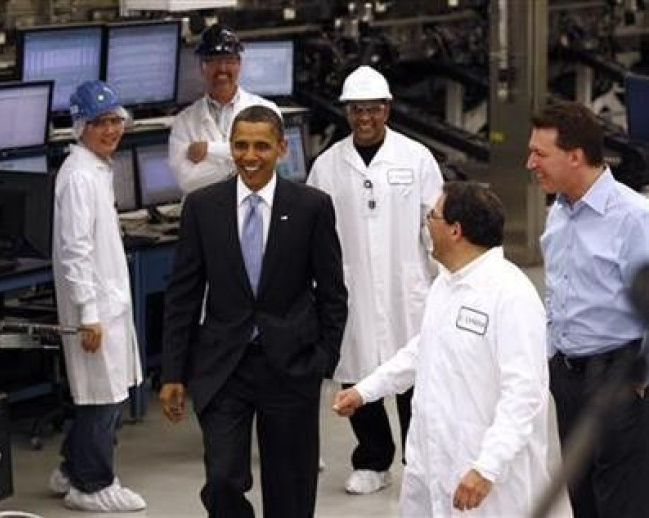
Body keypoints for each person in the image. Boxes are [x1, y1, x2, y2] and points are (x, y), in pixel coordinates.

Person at [159, 105, 348, 518]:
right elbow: (183, 295)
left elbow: (333, 292)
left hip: (291, 366)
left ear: (281, 148)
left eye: (262, 146)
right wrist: (173, 372)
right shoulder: (203, 207)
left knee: (291, 491)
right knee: (223, 480)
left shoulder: (311, 207)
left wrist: (323, 360)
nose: (250, 156)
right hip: (224, 366)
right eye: (241, 145)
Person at [333, 181, 558, 517]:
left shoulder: (510, 295)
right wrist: (365, 391)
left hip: (483, 475)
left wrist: (487, 467)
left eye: (432, 216)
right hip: (432, 459)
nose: (426, 224)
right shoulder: (446, 283)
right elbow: (423, 348)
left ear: (455, 231)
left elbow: (523, 394)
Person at [307, 65, 443, 495]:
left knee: (413, 379)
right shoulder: (328, 165)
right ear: (345, 112)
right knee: (358, 377)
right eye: (355, 110)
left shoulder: (416, 157)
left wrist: (448, 278)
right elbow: (313, 231)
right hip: (351, 290)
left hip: (408, 288)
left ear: (387, 109)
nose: (364, 118)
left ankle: (416, 462)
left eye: (373, 109)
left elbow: (434, 223)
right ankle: (373, 460)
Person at [527, 100, 649, 518]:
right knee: (584, 502)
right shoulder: (559, 213)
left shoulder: (633, 217)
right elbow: (556, 292)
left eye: (540, 154)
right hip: (569, 379)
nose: (530, 163)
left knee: (623, 504)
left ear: (575, 156)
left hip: (620, 380)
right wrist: (551, 355)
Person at [50, 80, 145, 512]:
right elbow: (75, 251)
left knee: (106, 393)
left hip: (107, 304)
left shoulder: (94, 169)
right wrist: (89, 314)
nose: (111, 130)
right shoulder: (79, 177)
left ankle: (72, 468)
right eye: (100, 123)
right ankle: (91, 484)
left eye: (115, 121)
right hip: (94, 310)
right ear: (80, 127)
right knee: (100, 398)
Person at [169, 23, 281, 194]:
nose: (222, 69)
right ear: (202, 66)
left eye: (228, 61)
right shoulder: (184, 121)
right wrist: (239, 164)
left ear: (239, 64)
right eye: (213, 61)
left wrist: (210, 150)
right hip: (204, 215)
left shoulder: (266, 109)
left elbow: (266, 166)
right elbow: (186, 182)